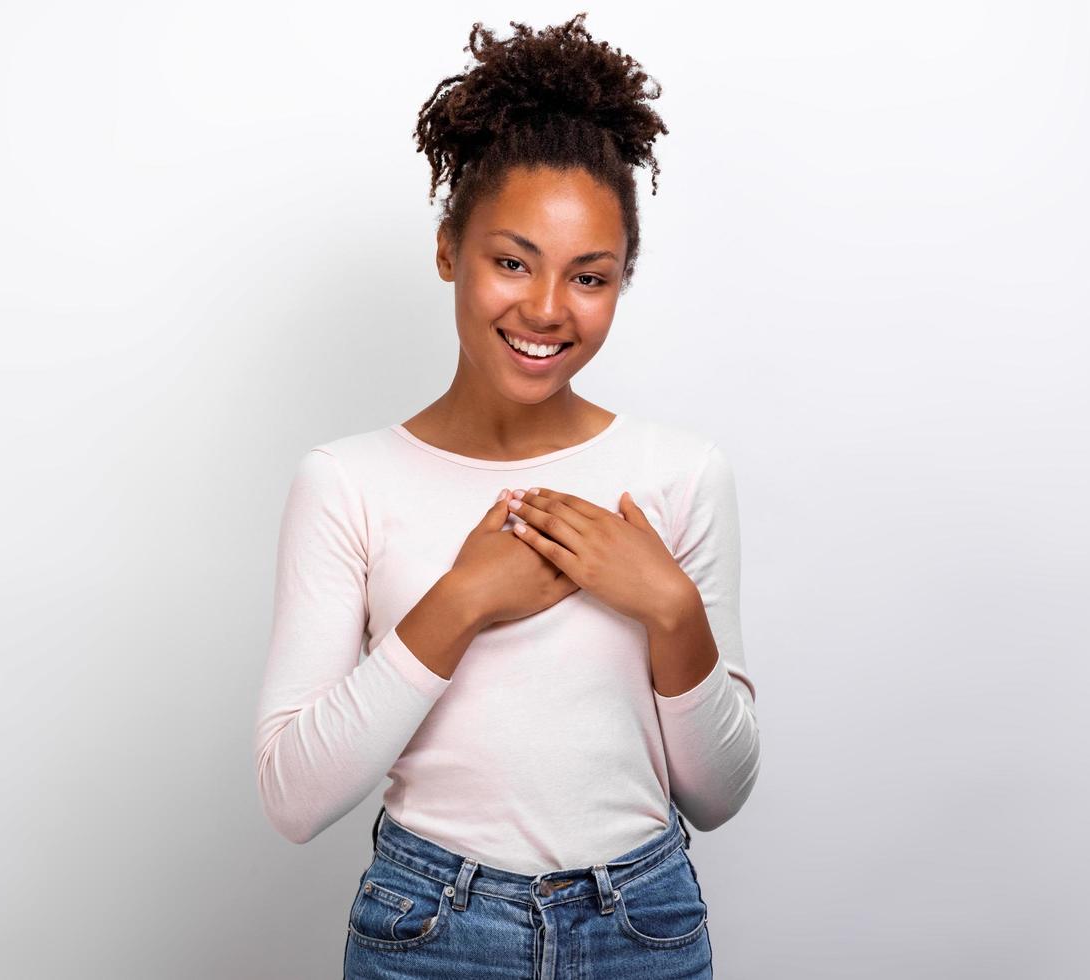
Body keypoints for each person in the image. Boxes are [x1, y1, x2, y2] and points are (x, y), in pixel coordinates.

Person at [252, 13, 760, 977]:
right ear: (449, 249)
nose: (544, 309)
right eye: (511, 260)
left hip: (643, 925)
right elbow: (291, 798)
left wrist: (668, 606)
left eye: (589, 276)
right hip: (430, 931)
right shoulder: (346, 482)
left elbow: (719, 794)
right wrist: (462, 600)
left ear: (621, 283)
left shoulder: (680, 474)